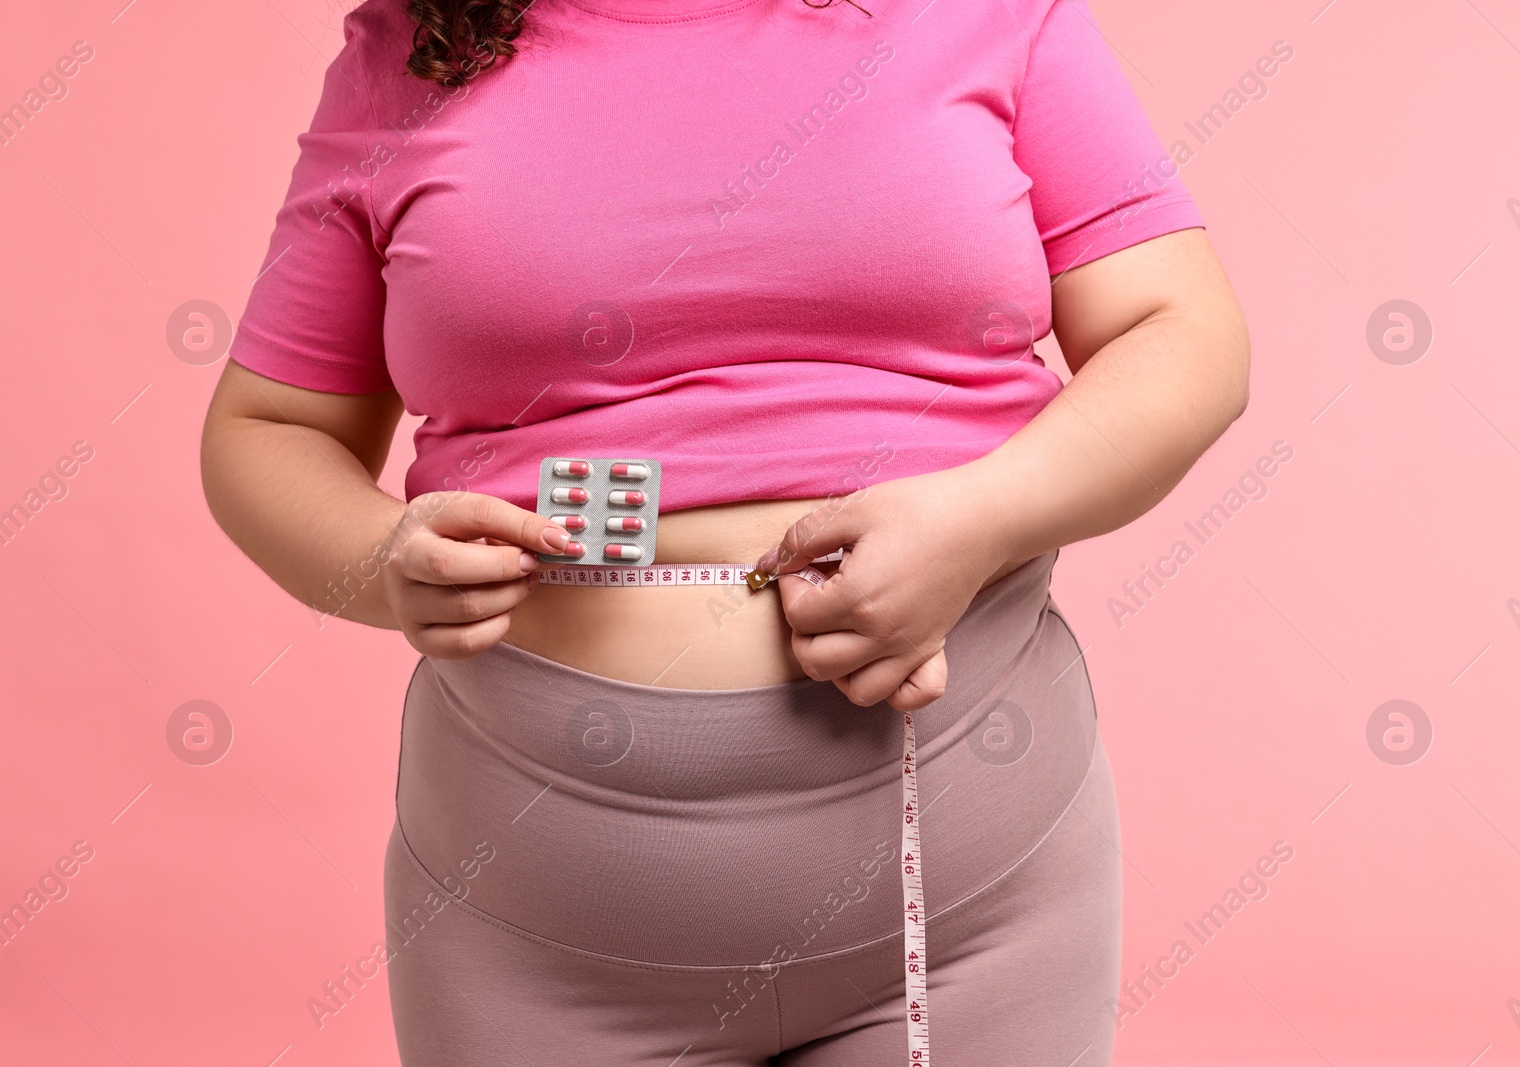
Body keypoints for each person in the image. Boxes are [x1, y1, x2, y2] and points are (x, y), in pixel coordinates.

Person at [200, 0, 1249, 1062]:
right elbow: (266, 428)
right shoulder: (413, 51)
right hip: (533, 933)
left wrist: (980, 518)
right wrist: (380, 564)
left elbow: (1182, 331)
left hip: (970, 908)